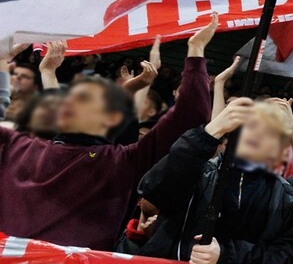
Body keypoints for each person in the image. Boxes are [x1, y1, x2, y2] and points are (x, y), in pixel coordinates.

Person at [0, 18, 216, 250]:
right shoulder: (17, 146)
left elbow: (190, 114)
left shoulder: (122, 162)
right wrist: (3, 58)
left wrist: (195, 51)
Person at [126, 97, 293, 264]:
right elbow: (155, 190)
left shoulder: (286, 197)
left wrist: (227, 255)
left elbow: (291, 256)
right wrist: (209, 132)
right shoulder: (198, 171)